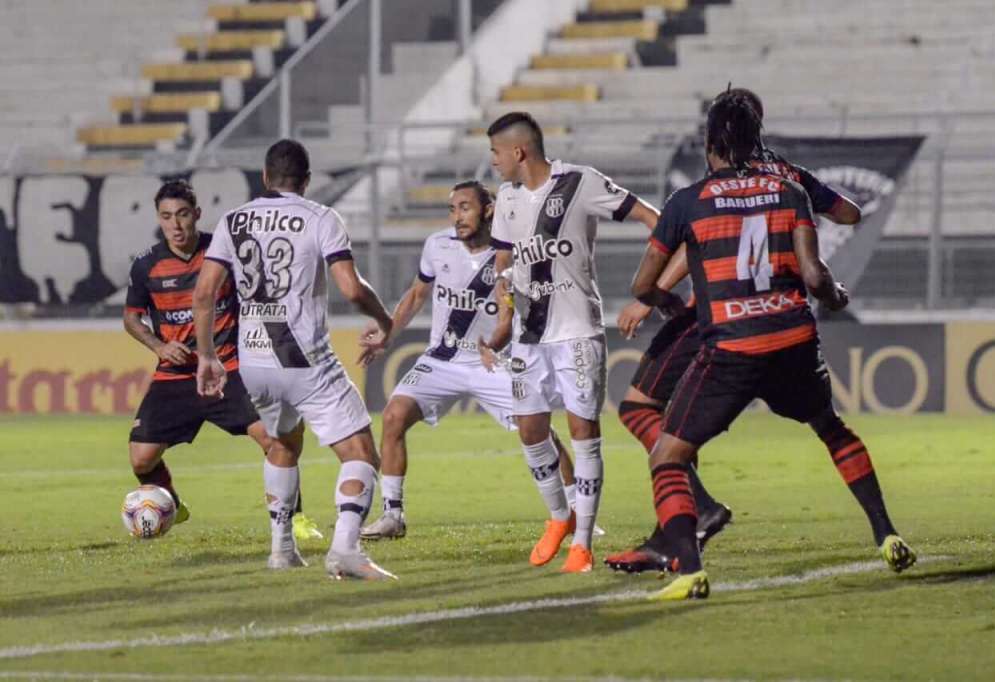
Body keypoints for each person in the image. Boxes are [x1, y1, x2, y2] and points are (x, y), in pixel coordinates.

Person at [629, 90, 915, 601]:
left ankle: (688, 568)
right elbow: (824, 256)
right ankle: (885, 531)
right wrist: (837, 293)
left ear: (710, 143)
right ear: (758, 134)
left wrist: (666, 303)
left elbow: (643, 285)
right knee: (830, 427)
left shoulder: (689, 200)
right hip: (793, 339)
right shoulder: (789, 186)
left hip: (731, 346)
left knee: (667, 455)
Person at [193, 140, 395, 580]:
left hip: (253, 360)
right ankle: (345, 549)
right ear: (305, 181)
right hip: (301, 355)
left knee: (283, 442)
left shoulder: (233, 219)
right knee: (360, 451)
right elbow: (352, 289)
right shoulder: (320, 217)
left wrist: (207, 356)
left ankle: (282, 549)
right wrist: (384, 317)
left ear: (265, 177)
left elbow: (205, 293)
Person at [479, 112, 660, 573]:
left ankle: (582, 544)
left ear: (518, 152)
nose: (493, 162)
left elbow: (651, 219)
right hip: (528, 336)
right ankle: (559, 517)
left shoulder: (580, 182)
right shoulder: (506, 197)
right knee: (530, 430)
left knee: (583, 433)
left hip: (576, 331)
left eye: (496, 153)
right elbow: (503, 260)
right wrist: (503, 319)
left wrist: (651, 290)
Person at [358, 181, 589, 539]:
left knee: (538, 431)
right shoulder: (437, 245)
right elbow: (418, 294)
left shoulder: (512, 251)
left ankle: (579, 513)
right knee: (393, 416)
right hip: (442, 360)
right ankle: (393, 515)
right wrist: (388, 333)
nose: (457, 217)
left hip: (494, 362)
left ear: (489, 209)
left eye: (465, 207)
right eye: (452, 209)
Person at [124, 179, 321, 545]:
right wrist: (159, 347)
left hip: (228, 369)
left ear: (196, 214)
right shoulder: (146, 266)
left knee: (275, 439)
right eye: (167, 217)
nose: (176, 225)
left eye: (182, 215)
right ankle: (171, 504)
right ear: (159, 219)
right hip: (176, 376)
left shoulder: (224, 251)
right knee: (140, 460)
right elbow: (132, 318)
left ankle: (294, 519)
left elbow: (260, 298)